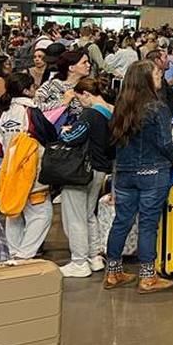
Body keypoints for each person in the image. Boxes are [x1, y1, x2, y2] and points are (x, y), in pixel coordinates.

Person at [103, 61, 173, 294]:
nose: (160, 75)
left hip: (124, 173)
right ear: (145, 79)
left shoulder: (121, 106)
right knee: (148, 224)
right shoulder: (157, 107)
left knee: (121, 222)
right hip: (152, 172)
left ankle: (112, 272)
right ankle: (148, 277)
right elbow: (165, 143)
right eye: (156, 72)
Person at [56, 77, 115, 278]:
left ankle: (79, 262)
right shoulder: (111, 112)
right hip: (100, 169)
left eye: (79, 99)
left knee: (75, 217)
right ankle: (94, 257)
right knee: (89, 214)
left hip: (82, 171)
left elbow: (73, 138)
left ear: (87, 94)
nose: (80, 103)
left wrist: (65, 132)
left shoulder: (90, 114)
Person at [0, 73, 50, 259]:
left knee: (14, 212)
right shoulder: (32, 111)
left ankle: (13, 254)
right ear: (26, 91)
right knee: (41, 214)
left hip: (8, 169)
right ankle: (25, 254)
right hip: (32, 171)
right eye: (33, 87)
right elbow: (49, 136)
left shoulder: (4, 113)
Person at [35, 49, 89, 124]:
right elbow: (36, 106)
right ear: (71, 68)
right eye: (84, 62)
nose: (88, 65)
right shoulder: (51, 85)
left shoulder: (88, 86)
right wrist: (62, 102)